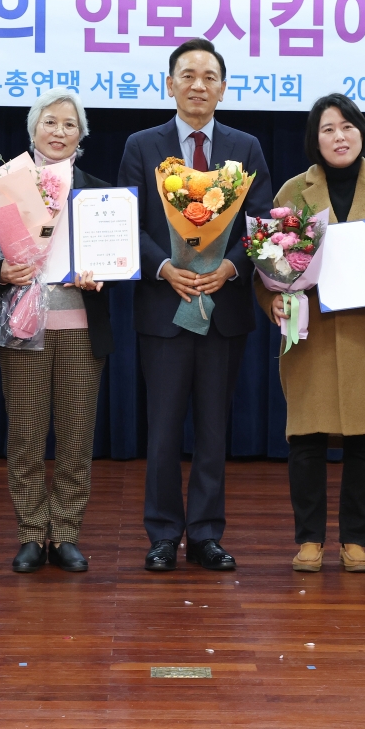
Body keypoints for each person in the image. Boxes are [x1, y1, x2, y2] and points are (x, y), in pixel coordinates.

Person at [115, 38, 272, 572]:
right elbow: (127, 221)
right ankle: (162, 534)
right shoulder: (142, 144)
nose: (198, 85)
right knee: (161, 431)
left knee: (213, 429)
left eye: (209, 76)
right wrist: (164, 267)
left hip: (222, 310)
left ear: (223, 88)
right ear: (169, 84)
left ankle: (205, 533)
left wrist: (231, 268)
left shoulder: (245, 147)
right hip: (163, 307)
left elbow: (260, 225)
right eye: (187, 75)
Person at [254, 94, 365, 573]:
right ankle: (309, 540)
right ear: (313, 139)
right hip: (311, 329)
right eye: (327, 129)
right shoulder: (291, 192)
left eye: (346, 126)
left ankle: (356, 540)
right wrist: (273, 301)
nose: (338, 136)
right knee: (307, 436)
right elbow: (267, 268)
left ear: (361, 131)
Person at [0, 89, 113, 574]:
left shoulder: (100, 192)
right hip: (23, 327)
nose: (59, 132)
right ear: (33, 128)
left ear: (82, 135)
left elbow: (114, 257)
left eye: (70, 124)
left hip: (82, 327)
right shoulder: (7, 186)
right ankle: (31, 534)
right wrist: (2, 271)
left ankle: (66, 533)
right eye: (50, 123)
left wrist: (101, 270)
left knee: (77, 437)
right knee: (26, 436)